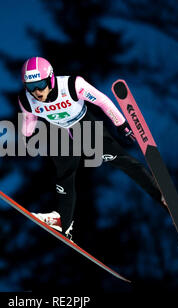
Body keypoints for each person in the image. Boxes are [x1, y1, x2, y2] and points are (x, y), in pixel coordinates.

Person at [18, 57, 168, 240]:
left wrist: (121, 124)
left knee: (117, 159)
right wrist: (26, 139)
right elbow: (29, 121)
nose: (36, 92)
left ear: (50, 78)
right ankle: (63, 221)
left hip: (83, 125)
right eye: (30, 86)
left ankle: (160, 194)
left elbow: (102, 101)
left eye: (40, 84)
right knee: (65, 173)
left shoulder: (72, 85)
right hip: (60, 131)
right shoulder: (27, 100)